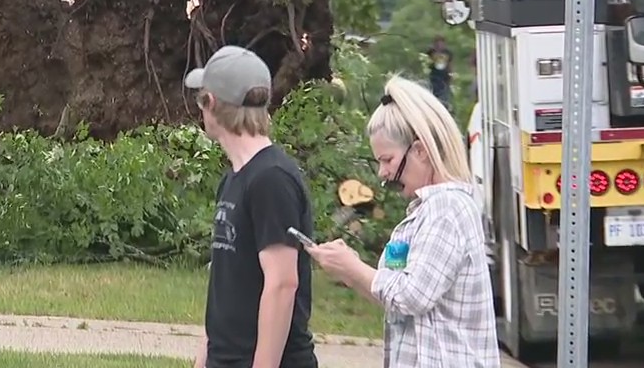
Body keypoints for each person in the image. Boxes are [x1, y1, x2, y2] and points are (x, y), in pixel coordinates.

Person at [303, 75, 499, 368]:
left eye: (387, 160)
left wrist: (352, 267)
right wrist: (349, 270)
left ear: (420, 150)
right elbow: (395, 297)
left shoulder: (446, 208)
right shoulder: (424, 213)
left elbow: (412, 296)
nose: (382, 173)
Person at [185, 45, 319, 368]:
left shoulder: (271, 179)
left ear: (211, 103)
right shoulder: (234, 179)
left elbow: (282, 284)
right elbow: (225, 286)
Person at [425, 36, 453, 109]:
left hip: (444, 77)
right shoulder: (432, 52)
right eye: (438, 44)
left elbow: (450, 64)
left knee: (444, 96)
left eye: (441, 43)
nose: (440, 45)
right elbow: (427, 60)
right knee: (434, 95)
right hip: (434, 77)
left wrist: (450, 73)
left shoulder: (447, 53)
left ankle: (444, 108)